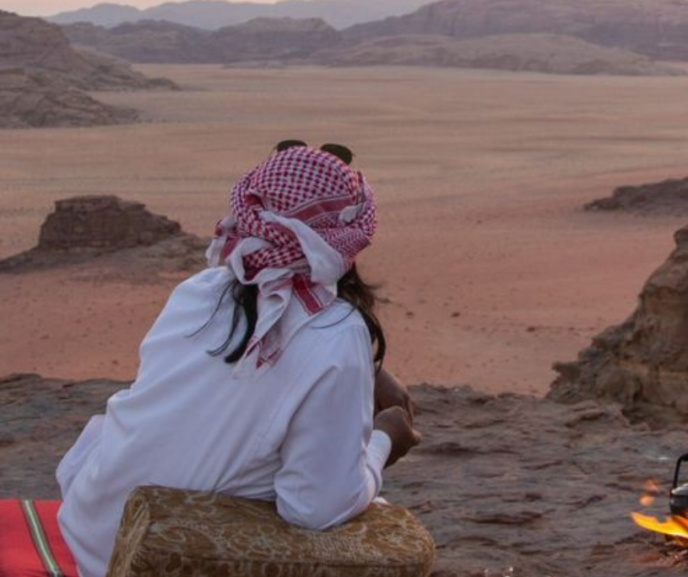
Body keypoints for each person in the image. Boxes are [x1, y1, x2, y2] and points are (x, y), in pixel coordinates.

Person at [56, 143, 420, 577]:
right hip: (152, 562)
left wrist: (369, 370)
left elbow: (267, 342)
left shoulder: (202, 289)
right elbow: (316, 508)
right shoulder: (336, 333)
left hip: (91, 532)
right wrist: (383, 443)